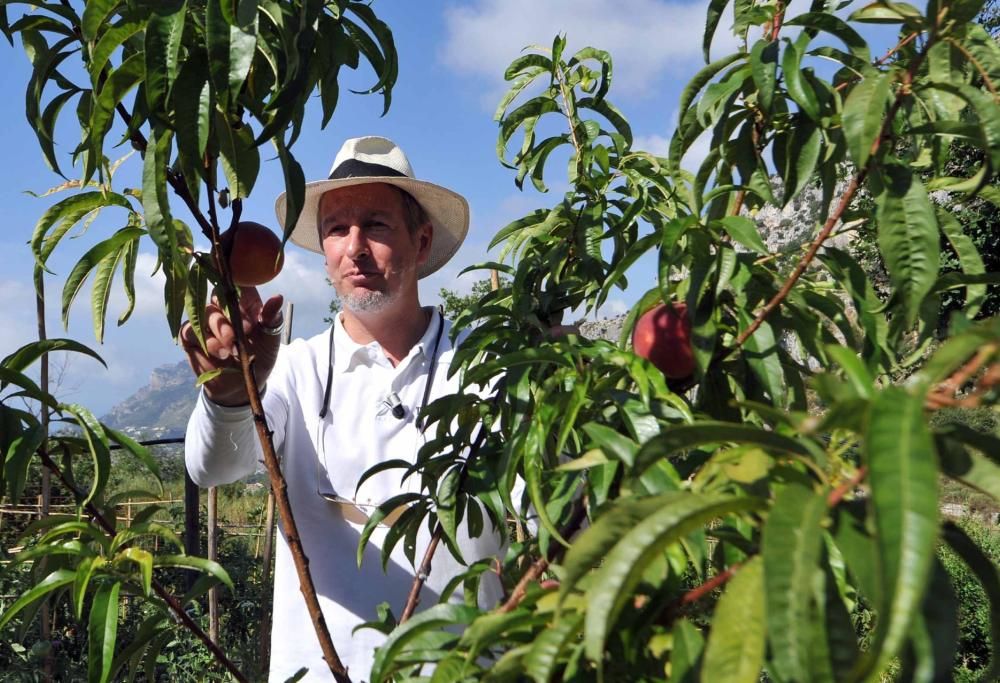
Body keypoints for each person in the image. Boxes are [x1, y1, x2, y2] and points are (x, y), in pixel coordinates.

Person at [180, 136, 505, 681]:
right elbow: (213, 467)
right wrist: (233, 390)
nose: (354, 247)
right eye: (337, 228)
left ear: (421, 242)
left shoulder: (483, 368)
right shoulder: (293, 369)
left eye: (376, 225)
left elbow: (552, 507)